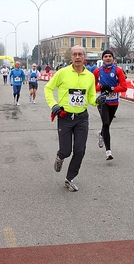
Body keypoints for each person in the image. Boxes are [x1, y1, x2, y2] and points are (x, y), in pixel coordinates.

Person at [44, 45, 106, 192]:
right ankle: (60, 157)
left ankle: (69, 178)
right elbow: (48, 88)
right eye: (75, 54)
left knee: (80, 150)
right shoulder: (62, 73)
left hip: (81, 118)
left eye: (80, 54)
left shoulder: (90, 76)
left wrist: (97, 101)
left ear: (84, 57)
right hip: (65, 117)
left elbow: (90, 97)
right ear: (71, 57)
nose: (77, 57)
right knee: (66, 151)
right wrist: (54, 105)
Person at [93, 50, 127, 160]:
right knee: (106, 123)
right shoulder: (97, 71)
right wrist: (101, 88)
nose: (108, 58)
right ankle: (108, 152)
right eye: (106, 56)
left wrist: (112, 88)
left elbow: (124, 87)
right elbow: (91, 87)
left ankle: (102, 134)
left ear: (113, 58)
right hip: (102, 101)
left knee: (107, 124)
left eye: (110, 56)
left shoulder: (118, 70)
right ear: (102, 58)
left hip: (114, 101)